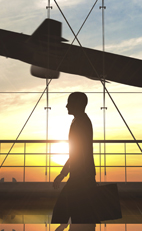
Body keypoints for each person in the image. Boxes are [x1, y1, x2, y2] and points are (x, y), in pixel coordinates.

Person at [52, 92, 98, 225]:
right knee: (80, 213)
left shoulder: (80, 123)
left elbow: (76, 152)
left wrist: (63, 173)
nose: (66, 106)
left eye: (69, 103)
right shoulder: (81, 121)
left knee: (64, 210)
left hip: (80, 177)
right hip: (83, 175)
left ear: (77, 105)